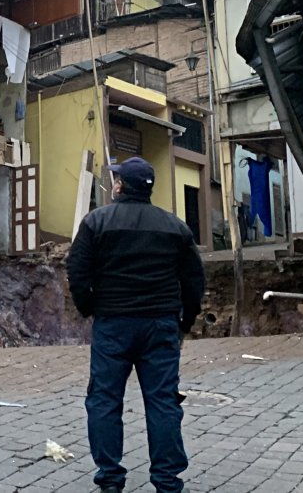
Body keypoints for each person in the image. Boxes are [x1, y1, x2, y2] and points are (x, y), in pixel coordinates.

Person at [67, 157, 206, 493]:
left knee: (104, 399)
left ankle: (110, 479)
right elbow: (194, 281)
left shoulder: (96, 222)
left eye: (115, 179)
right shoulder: (175, 227)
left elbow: (77, 271)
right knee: (163, 401)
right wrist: (184, 322)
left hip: (113, 324)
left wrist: (90, 308)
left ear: (120, 186)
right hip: (160, 325)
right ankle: (167, 481)